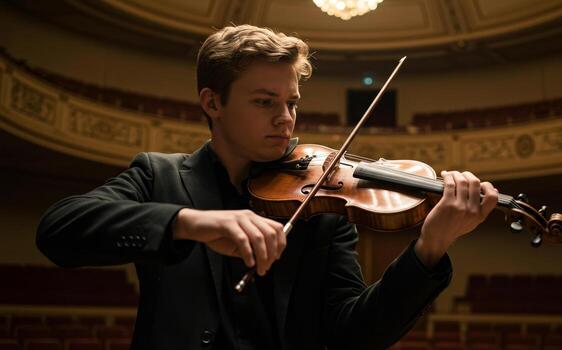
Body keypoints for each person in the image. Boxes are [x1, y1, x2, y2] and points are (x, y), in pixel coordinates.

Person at [36, 24, 498, 350]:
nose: (285, 118)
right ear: (212, 102)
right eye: (264, 102)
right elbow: (59, 229)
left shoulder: (320, 204)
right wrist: (187, 222)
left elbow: (354, 335)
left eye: (291, 102)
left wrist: (430, 248)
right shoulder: (160, 176)